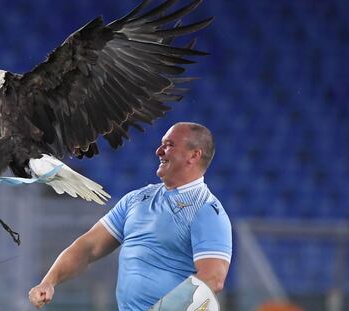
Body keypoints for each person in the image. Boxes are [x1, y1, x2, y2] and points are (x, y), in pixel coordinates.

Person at [29, 122, 232, 310]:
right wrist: (49, 281)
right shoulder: (136, 199)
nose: (159, 151)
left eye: (169, 145)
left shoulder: (207, 210)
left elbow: (213, 278)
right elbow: (88, 246)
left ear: (194, 155)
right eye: (161, 144)